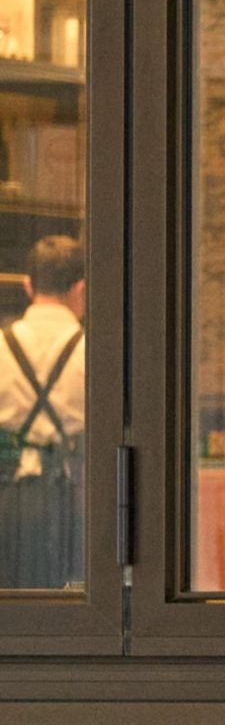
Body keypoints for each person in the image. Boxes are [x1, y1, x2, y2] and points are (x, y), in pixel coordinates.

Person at [0, 234, 85, 588]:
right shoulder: (93, 350)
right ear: (80, 290)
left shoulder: (2, 345)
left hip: (8, 493)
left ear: (28, 286)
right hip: (74, 495)